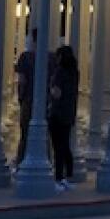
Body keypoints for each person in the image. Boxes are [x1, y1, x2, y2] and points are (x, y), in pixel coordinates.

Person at [48, 45, 79, 191]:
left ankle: (58, 177)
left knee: (57, 147)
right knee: (65, 145)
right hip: (69, 113)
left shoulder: (59, 72)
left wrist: (50, 87)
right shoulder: (74, 73)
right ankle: (67, 175)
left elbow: (56, 93)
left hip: (57, 113)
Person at [13, 31, 37, 167]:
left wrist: (20, 98)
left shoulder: (25, 57)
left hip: (28, 99)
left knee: (25, 134)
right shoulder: (52, 57)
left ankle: (21, 162)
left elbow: (22, 80)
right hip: (46, 102)